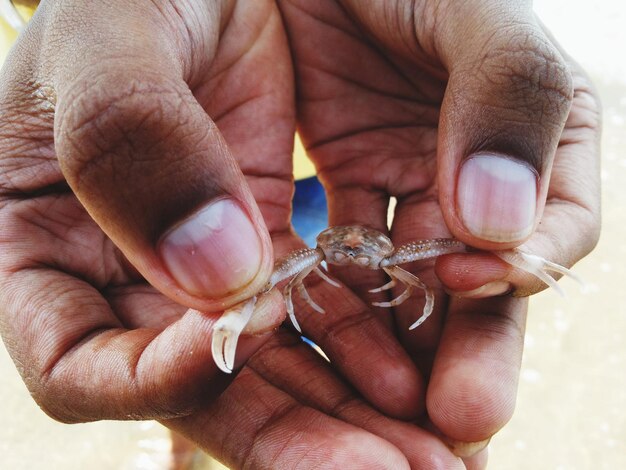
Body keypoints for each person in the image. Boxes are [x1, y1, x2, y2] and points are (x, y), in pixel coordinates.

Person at [0, 0, 600, 468]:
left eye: (365, 254)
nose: (354, 256)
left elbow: (428, 270)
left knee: (363, 360)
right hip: (235, 173)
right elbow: (290, 275)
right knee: (225, 324)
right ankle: (180, 451)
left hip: (325, 172)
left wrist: (502, 249)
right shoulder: (316, 256)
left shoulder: (393, 256)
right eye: (346, 251)